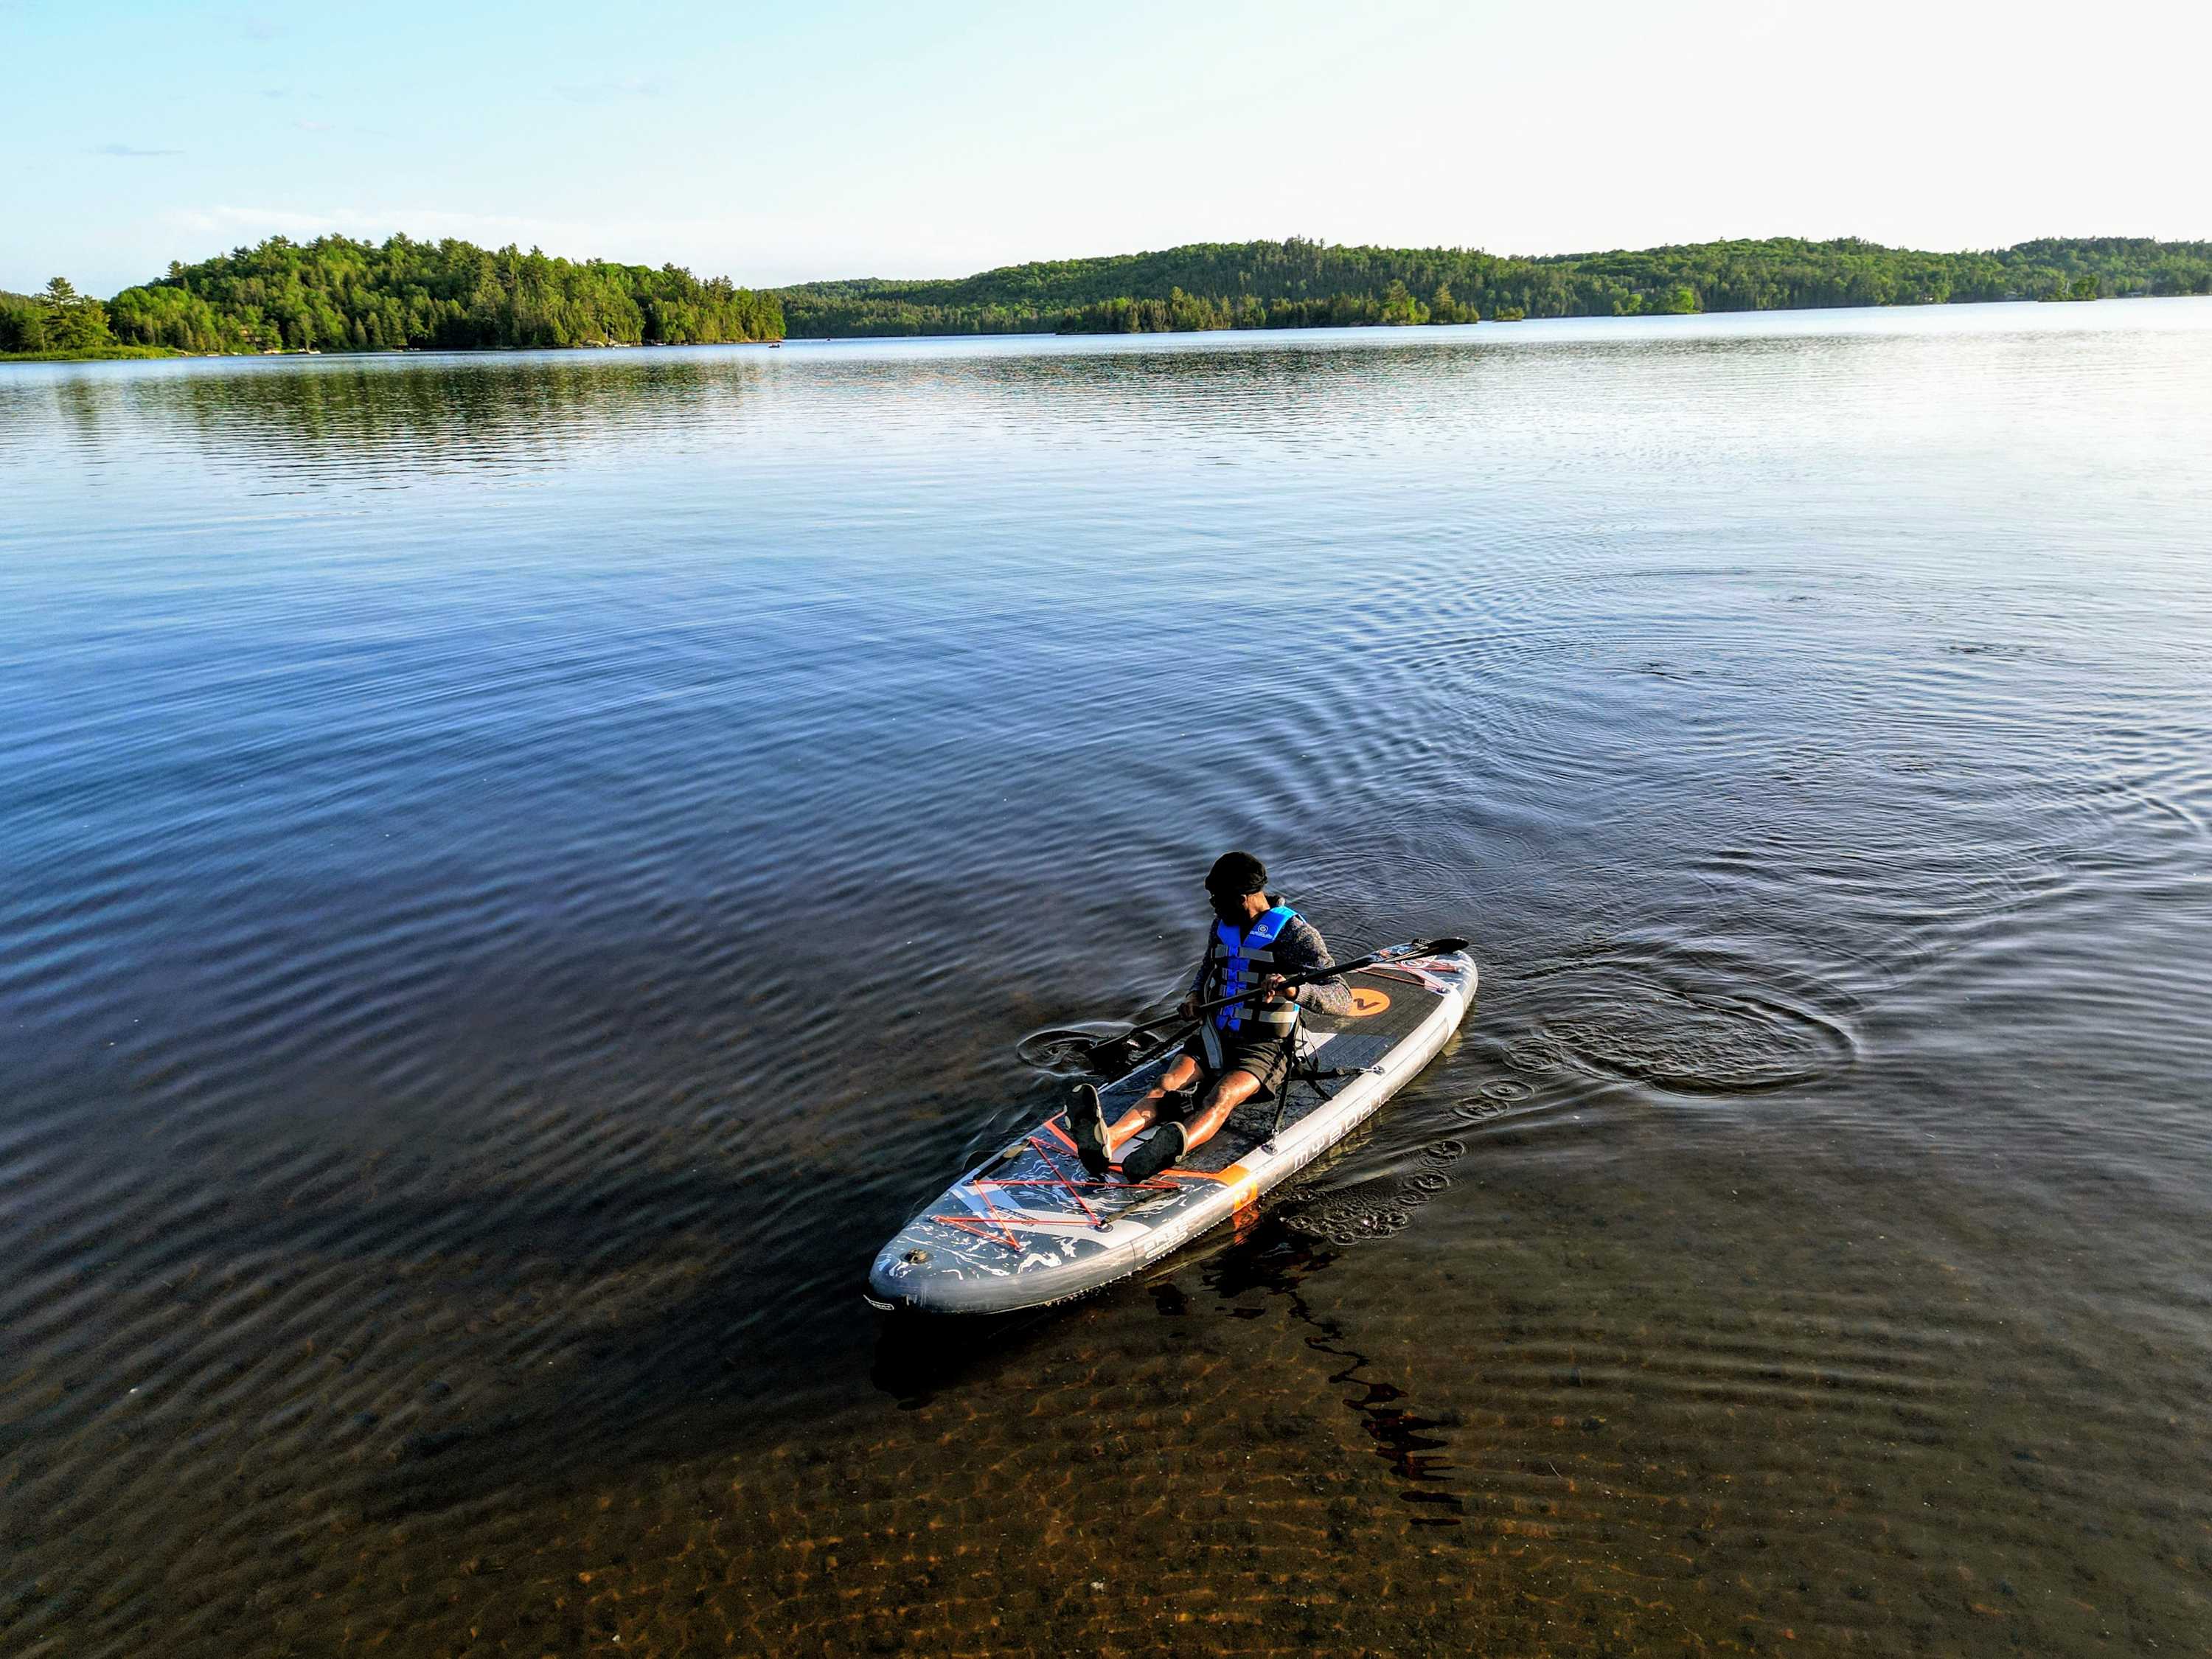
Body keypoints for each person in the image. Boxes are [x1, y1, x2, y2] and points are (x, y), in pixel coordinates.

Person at [1068, 850, 1353, 1183]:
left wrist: (1293, 991)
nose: (1212, 906)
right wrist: (1193, 996)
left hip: (1264, 1046)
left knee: (1222, 1095)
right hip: (1215, 1034)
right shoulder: (1222, 925)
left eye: (1217, 898)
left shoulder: (1295, 934)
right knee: (1165, 1084)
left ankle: (1173, 1146)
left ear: (1242, 898)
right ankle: (1108, 1140)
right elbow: (1208, 968)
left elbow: (1341, 997)